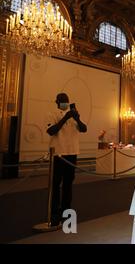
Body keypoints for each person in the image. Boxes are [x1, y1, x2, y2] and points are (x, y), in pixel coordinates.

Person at [46, 93, 87, 227]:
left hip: (72, 153)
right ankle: (54, 215)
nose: (65, 103)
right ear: (57, 102)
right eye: (62, 101)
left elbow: (84, 129)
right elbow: (51, 131)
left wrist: (77, 118)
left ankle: (66, 213)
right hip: (58, 153)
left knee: (68, 184)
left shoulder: (73, 114)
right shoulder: (51, 113)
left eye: (66, 101)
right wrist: (65, 118)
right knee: (56, 185)